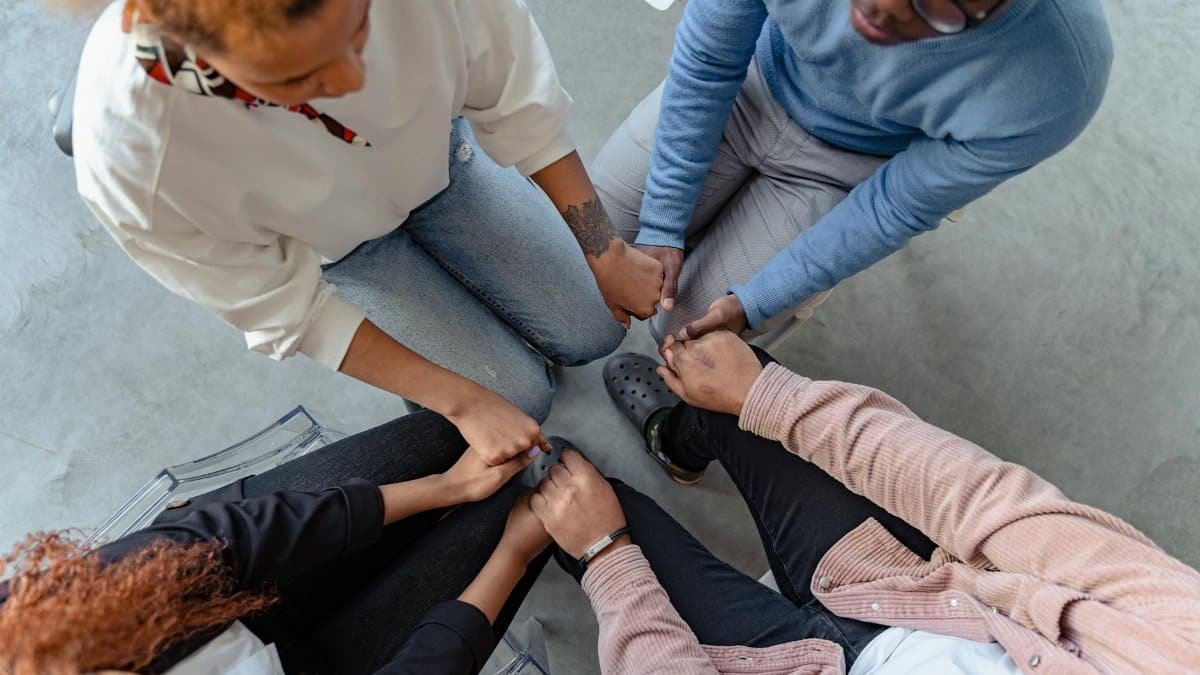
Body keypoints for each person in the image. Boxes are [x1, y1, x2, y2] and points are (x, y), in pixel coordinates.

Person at [71, 0, 665, 467]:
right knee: (513, 398)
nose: (354, 79)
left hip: (446, 167)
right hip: (342, 255)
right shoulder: (135, 161)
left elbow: (513, 87)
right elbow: (284, 307)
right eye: (300, 76)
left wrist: (603, 246)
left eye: (360, 27)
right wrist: (462, 402)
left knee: (593, 324)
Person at [527, 334, 1200, 673]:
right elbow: (986, 500)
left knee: (577, 505)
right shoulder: (1183, 639)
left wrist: (608, 559)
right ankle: (679, 438)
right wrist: (771, 395)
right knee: (745, 400)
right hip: (921, 594)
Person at [592, 0, 1112, 342]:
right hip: (751, 76)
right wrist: (663, 218)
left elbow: (893, 208)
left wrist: (757, 300)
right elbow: (708, 59)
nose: (882, 8)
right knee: (589, 248)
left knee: (694, 335)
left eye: (937, 7)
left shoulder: (1061, 80)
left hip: (850, 168)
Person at [0, 411, 554, 674]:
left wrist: (445, 487)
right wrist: (512, 553)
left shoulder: (22, 637)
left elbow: (230, 541)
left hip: (221, 592)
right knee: (501, 524)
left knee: (445, 439)